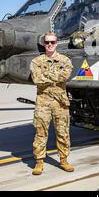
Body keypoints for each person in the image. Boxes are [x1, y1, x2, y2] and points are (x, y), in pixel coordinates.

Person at [29, 32, 74, 175]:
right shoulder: (36, 61)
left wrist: (46, 75)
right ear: (43, 44)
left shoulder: (65, 60)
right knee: (41, 133)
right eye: (47, 42)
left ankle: (64, 160)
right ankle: (39, 162)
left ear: (56, 43)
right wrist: (55, 77)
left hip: (60, 102)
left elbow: (65, 76)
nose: (49, 45)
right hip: (43, 102)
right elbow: (36, 79)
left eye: (52, 42)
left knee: (63, 133)